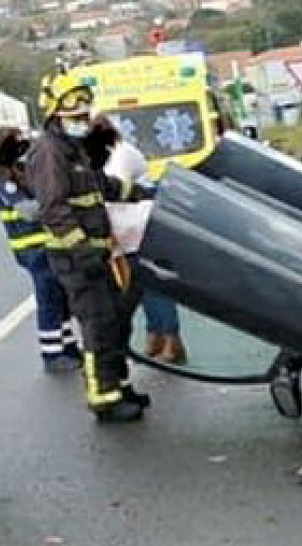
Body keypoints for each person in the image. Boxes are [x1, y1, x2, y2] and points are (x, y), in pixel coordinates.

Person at [29, 72, 153, 423]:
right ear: (56, 116)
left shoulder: (73, 149)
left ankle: (119, 383)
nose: (83, 123)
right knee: (98, 323)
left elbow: (99, 187)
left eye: (85, 117)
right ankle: (104, 398)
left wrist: (141, 193)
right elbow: (54, 209)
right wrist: (82, 250)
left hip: (96, 252)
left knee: (116, 320)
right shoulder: (49, 152)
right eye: (75, 118)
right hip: (75, 257)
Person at [85, 115, 188, 364]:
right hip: (123, 231)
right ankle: (155, 335)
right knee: (139, 287)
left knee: (153, 286)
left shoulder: (121, 154)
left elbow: (115, 189)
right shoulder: (102, 155)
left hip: (139, 228)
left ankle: (172, 340)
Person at [0, 127, 82, 373]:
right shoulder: (5, 180)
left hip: (45, 247)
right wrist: (52, 202)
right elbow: (28, 212)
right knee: (48, 300)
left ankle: (67, 345)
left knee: (59, 298)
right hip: (32, 250)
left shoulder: (23, 172)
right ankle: (52, 354)